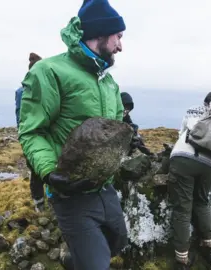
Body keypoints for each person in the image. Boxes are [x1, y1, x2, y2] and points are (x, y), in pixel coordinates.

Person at [17, 0, 127, 269]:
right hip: (70, 193)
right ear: (99, 34)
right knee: (97, 264)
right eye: (118, 37)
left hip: (105, 188)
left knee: (118, 242)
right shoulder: (49, 71)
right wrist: (49, 174)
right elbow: (32, 131)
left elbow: (118, 126)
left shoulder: (109, 82)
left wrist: (128, 139)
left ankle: (72, 257)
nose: (121, 46)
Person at [168, 90, 211, 269]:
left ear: (206, 102)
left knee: (183, 207)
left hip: (184, 158)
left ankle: (182, 259)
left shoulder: (193, 110)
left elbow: (182, 132)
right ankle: (210, 247)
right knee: (202, 201)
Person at [15, 52, 45, 212]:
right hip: (33, 135)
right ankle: (39, 203)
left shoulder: (23, 91)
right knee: (36, 169)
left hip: (42, 134)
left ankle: (43, 201)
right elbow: (21, 117)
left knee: (43, 169)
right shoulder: (23, 92)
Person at [120, 92, 153, 156]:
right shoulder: (112, 117)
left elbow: (133, 128)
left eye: (128, 108)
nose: (126, 110)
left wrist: (136, 136)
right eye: (124, 107)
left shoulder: (126, 117)